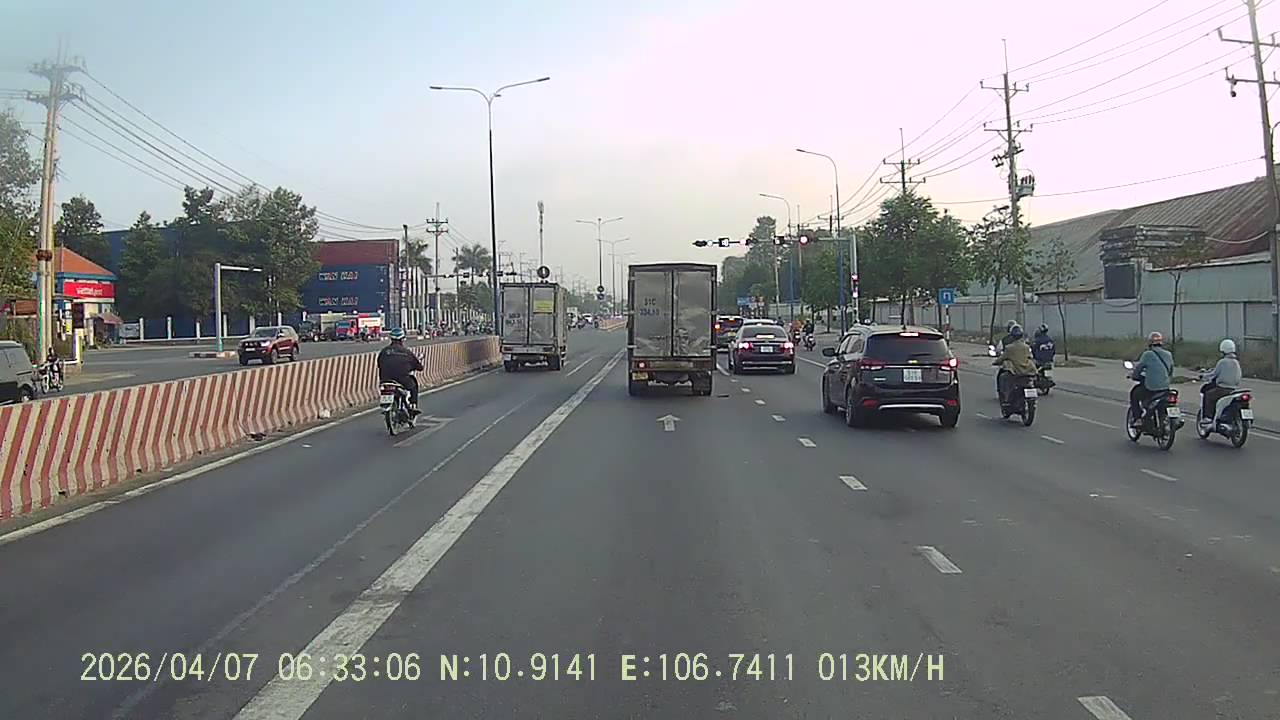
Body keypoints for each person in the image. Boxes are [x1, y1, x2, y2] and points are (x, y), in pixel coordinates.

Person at [1129, 331, 1174, 428]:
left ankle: (1138, 419)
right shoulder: (1168, 354)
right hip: (1165, 388)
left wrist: (1134, 376)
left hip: (1151, 388)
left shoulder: (1147, 354)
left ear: (1150, 343)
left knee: (1134, 393)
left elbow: (1139, 369)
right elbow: (1170, 371)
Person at [376, 328, 423, 417]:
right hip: (402, 380)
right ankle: (413, 405)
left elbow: (379, 364)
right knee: (414, 386)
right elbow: (419, 367)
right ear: (402, 339)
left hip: (385, 379)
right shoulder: (407, 352)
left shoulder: (384, 351)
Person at [1200, 338, 1243, 425]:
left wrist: (1203, 376)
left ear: (1223, 350)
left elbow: (1214, 374)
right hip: (1234, 389)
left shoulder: (1222, 362)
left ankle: (1208, 417)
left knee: (1208, 395)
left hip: (1222, 388)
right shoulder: (1236, 362)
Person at [992, 323, 1037, 403]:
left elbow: (1001, 357)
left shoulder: (1009, 347)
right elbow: (1030, 357)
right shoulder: (1026, 347)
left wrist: (995, 362)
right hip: (1027, 371)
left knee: (1003, 378)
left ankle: (1006, 397)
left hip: (1016, 372)